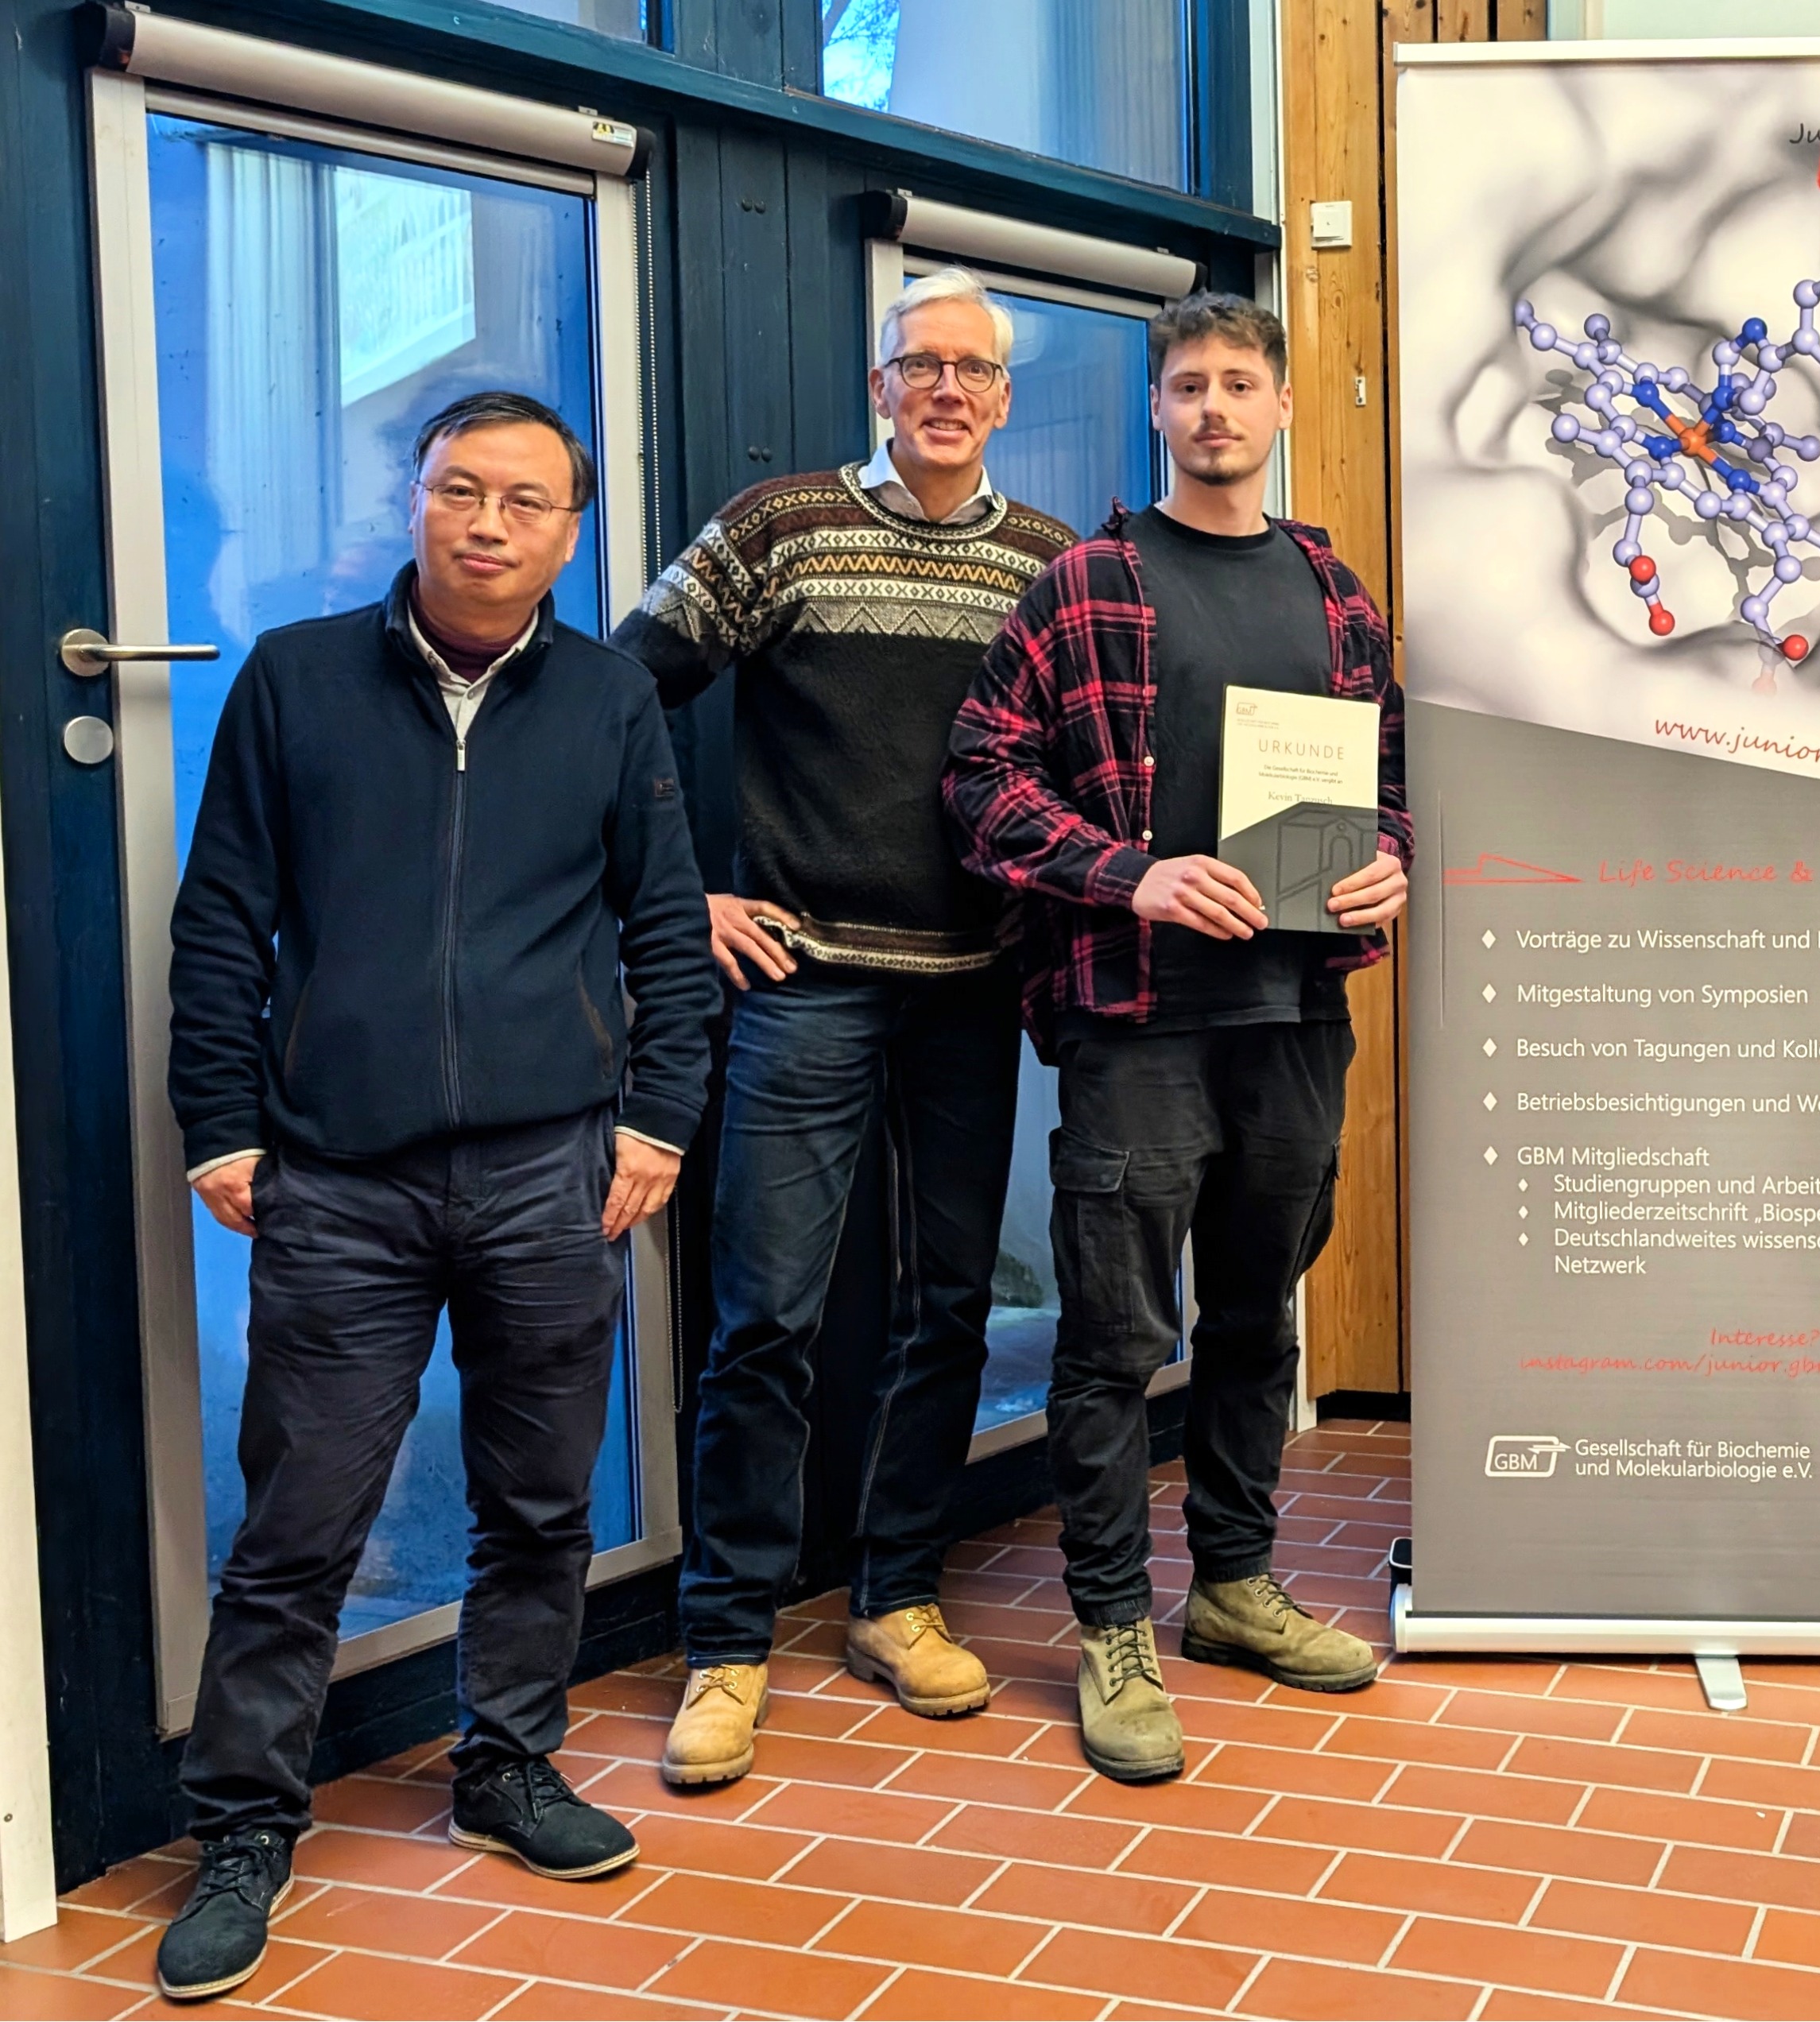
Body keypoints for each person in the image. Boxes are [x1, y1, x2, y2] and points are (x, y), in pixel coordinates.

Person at [156, 392, 715, 2001]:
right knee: (302, 1518)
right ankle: (246, 1829)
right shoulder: (297, 680)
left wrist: (658, 1122)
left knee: (539, 1499)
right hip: (338, 1176)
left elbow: (666, 931)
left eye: (525, 501)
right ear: (414, 501)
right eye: (460, 489)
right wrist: (222, 1127)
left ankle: (506, 1764)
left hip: (555, 1166)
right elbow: (221, 924)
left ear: (569, 532)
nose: (487, 522)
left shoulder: (611, 700)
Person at [614, 269, 1077, 1788]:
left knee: (951, 1304)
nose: (948, 389)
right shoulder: (779, 528)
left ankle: (897, 1596)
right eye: (920, 364)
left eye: (976, 371)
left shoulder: (1052, 566)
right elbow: (616, 706)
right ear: (882, 386)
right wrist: (687, 898)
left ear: (1005, 400)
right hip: (801, 981)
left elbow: (1100, 772)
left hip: (973, 986)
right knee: (768, 1317)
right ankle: (726, 1643)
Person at [944, 291, 1408, 1784]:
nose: (1214, 408)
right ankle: (1111, 1627)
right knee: (1114, 1338)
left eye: (1239, 384)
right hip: (1135, 1021)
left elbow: (1390, 774)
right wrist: (1128, 871)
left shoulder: (1338, 597)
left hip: (1294, 1011)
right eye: (1188, 385)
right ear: (1157, 409)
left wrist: (1390, 858)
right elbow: (980, 780)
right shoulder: (1082, 585)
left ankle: (1233, 1585)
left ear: (1280, 410)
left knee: (1258, 1318)